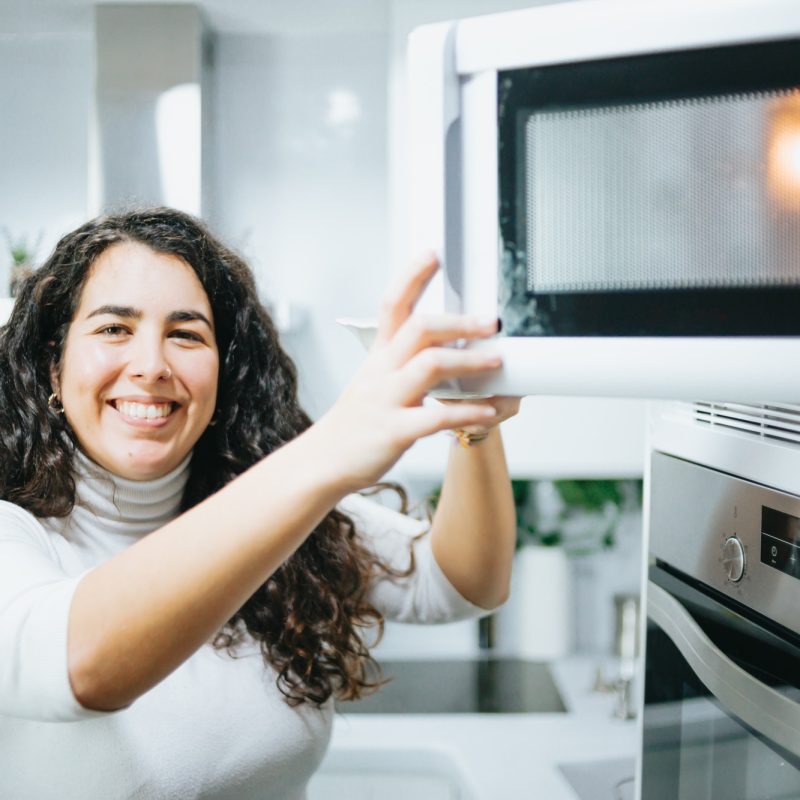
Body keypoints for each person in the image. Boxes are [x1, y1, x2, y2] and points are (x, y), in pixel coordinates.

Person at [0, 207, 520, 799]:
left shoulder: (269, 505)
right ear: (52, 363)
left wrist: (475, 423)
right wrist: (329, 450)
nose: (150, 366)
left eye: (186, 334)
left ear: (225, 371)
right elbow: (79, 664)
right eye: (114, 329)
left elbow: (461, 583)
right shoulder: (14, 530)